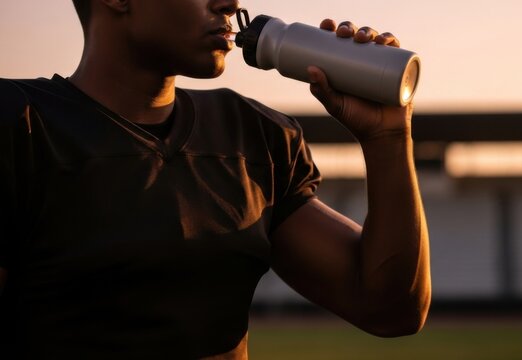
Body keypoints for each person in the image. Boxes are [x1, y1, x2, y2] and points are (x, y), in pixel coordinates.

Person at [0, 0, 431, 358]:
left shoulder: (254, 136)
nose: (231, 4)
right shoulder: (21, 125)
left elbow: (390, 309)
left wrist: (389, 139)